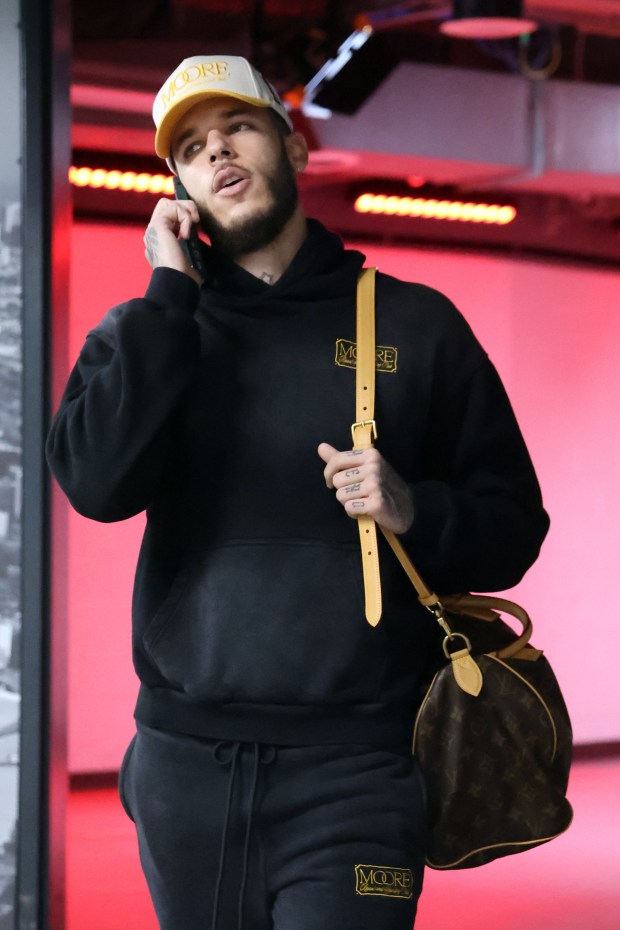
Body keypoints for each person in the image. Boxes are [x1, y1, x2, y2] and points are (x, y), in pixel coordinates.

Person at [46, 54, 550, 930]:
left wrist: (414, 508)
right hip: (183, 767)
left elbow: (515, 526)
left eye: (238, 127)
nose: (219, 154)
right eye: (193, 148)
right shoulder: (149, 333)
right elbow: (93, 484)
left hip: (355, 771)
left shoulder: (416, 325)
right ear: (179, 190)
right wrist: (169, 295)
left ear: (294, 146)